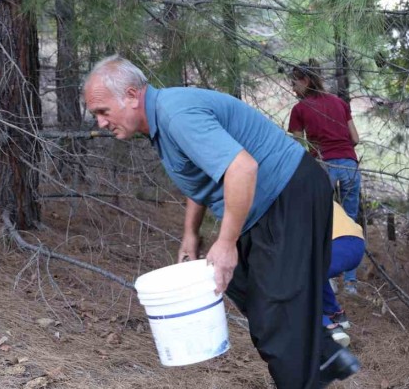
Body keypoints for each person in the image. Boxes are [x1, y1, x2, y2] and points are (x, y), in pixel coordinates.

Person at [83, 55, 359, 388]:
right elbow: (204, 174)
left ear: (130, 95)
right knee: (247, 290)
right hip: (265, 204)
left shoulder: (176, 114)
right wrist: (190, 233)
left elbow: (242, 169)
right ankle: (326, 357)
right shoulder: (162, 119)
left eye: (102, 111)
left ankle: (308, 371)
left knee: (277, 314)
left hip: (288, 193)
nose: (100, 123)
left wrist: (226, 242)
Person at [287, 60, 362, 294]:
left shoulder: (300, 109)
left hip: (323, 165)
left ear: (306, 80)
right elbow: (356, 138)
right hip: (350, 164)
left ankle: (327, 276)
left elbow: (299, 146)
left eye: (294, 82)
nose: (292, 88)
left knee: (322, 221)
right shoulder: (340, 102)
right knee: (349, 220)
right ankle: (350, 282)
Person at [322, 201, 365, 347]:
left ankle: (328, 327)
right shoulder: (321, 193)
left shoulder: (293, 199)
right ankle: (336, 314)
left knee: (301, 277)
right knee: (315, 274)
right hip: (357, 243)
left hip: (337, 243)